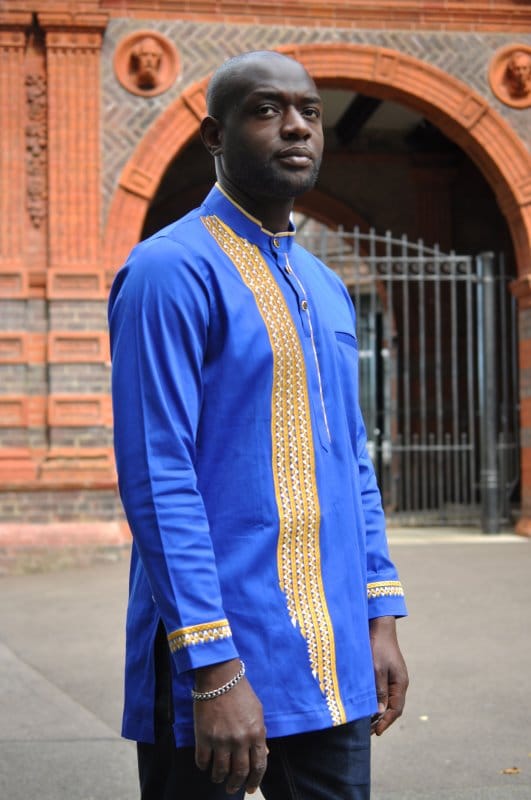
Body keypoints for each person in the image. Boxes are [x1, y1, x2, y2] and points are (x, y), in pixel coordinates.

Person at [108, 50, 409, 800]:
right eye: (266, 110)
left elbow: (353, 462)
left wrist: (379, 617)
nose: (296, 127)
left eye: (309, 111)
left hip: (332, 655)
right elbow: (157, 475)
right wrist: (213, 670)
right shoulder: (168, 271)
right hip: (215, 657)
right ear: (215, 135)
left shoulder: (326, 286)